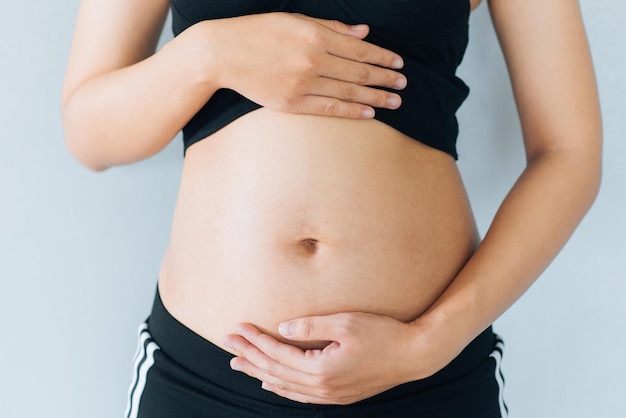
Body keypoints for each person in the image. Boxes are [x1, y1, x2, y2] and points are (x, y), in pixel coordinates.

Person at [62, 0, 601, 416]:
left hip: (425, 377)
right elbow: (89, 134)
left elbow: (568, 153)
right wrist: (206, 57)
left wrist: (428, 343)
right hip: (207, 375)